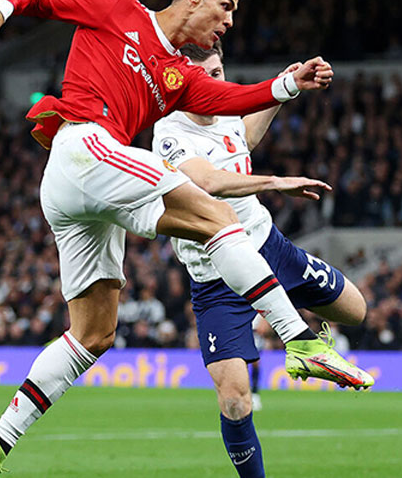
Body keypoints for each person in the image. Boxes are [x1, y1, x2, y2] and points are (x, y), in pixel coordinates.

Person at [0, 0, 372, 476]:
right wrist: (1, 5)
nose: (229, 21)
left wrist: (290, 85)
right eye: (226, 6)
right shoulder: (117, 5)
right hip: (83, 145)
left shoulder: (174, 74)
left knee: (93, 335)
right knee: (216, 216)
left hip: (77, 186)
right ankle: (300, 339)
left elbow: (233, 99)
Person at [152, 42, 368, 478]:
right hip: (216, 277)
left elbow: (244, 138)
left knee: (356, 311)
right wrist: (275, 182)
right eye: (204, 74)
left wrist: (284, 91)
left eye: (218, 69)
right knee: (234, 399)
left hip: (269, 247)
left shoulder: (228, 110)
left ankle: (311, 343)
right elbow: (209, 179)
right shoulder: (169, 133)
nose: (214, 78)